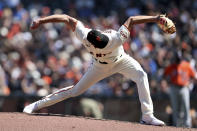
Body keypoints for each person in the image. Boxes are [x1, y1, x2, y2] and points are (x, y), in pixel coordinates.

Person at [23, 13, 166, 126]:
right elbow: (66, 18)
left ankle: (147, 116)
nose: (97, 46)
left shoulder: (116, 38)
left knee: (142, 76)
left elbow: (132, 19)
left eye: (100, 45)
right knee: (75, 91)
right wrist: (41, 21)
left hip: (121, 60)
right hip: (99, 66)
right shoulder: (84, 34)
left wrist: (156, 18)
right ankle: (36, 105)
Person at [164, 52, 197, 127]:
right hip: (173, 87)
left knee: (186, 107)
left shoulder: (186, 65)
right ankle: (176, 125)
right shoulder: (172, 66)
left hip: (184, 88)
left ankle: (188, 125)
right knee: (175, 108)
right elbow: (165, 75)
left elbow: (194, 76)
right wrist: (168, 82)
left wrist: (189, 82)